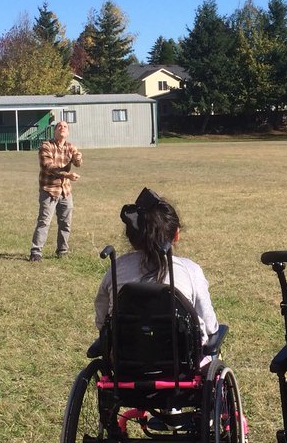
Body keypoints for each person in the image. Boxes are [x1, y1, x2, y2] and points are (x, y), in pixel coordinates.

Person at [93, 187, 219, 345]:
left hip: (125, 355)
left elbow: (102, 318)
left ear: (131, 237)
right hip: (181, 361)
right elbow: (209, 326)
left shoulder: (116, 269)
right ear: (176, 235)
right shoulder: (190, 271)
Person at [30, 120, 82, 262]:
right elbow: (48, 167)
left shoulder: (70, 147)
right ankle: (36, 251)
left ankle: (62, 250)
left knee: (66, 223)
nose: (62, 128)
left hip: (65, 191)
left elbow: (78, 162)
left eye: (65, 126)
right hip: (49, 190)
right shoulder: (46, 146)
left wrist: (78, 158)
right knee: (44, 221)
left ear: (68, 132)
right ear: (55, 131)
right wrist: (67, 175)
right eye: (59, 126)